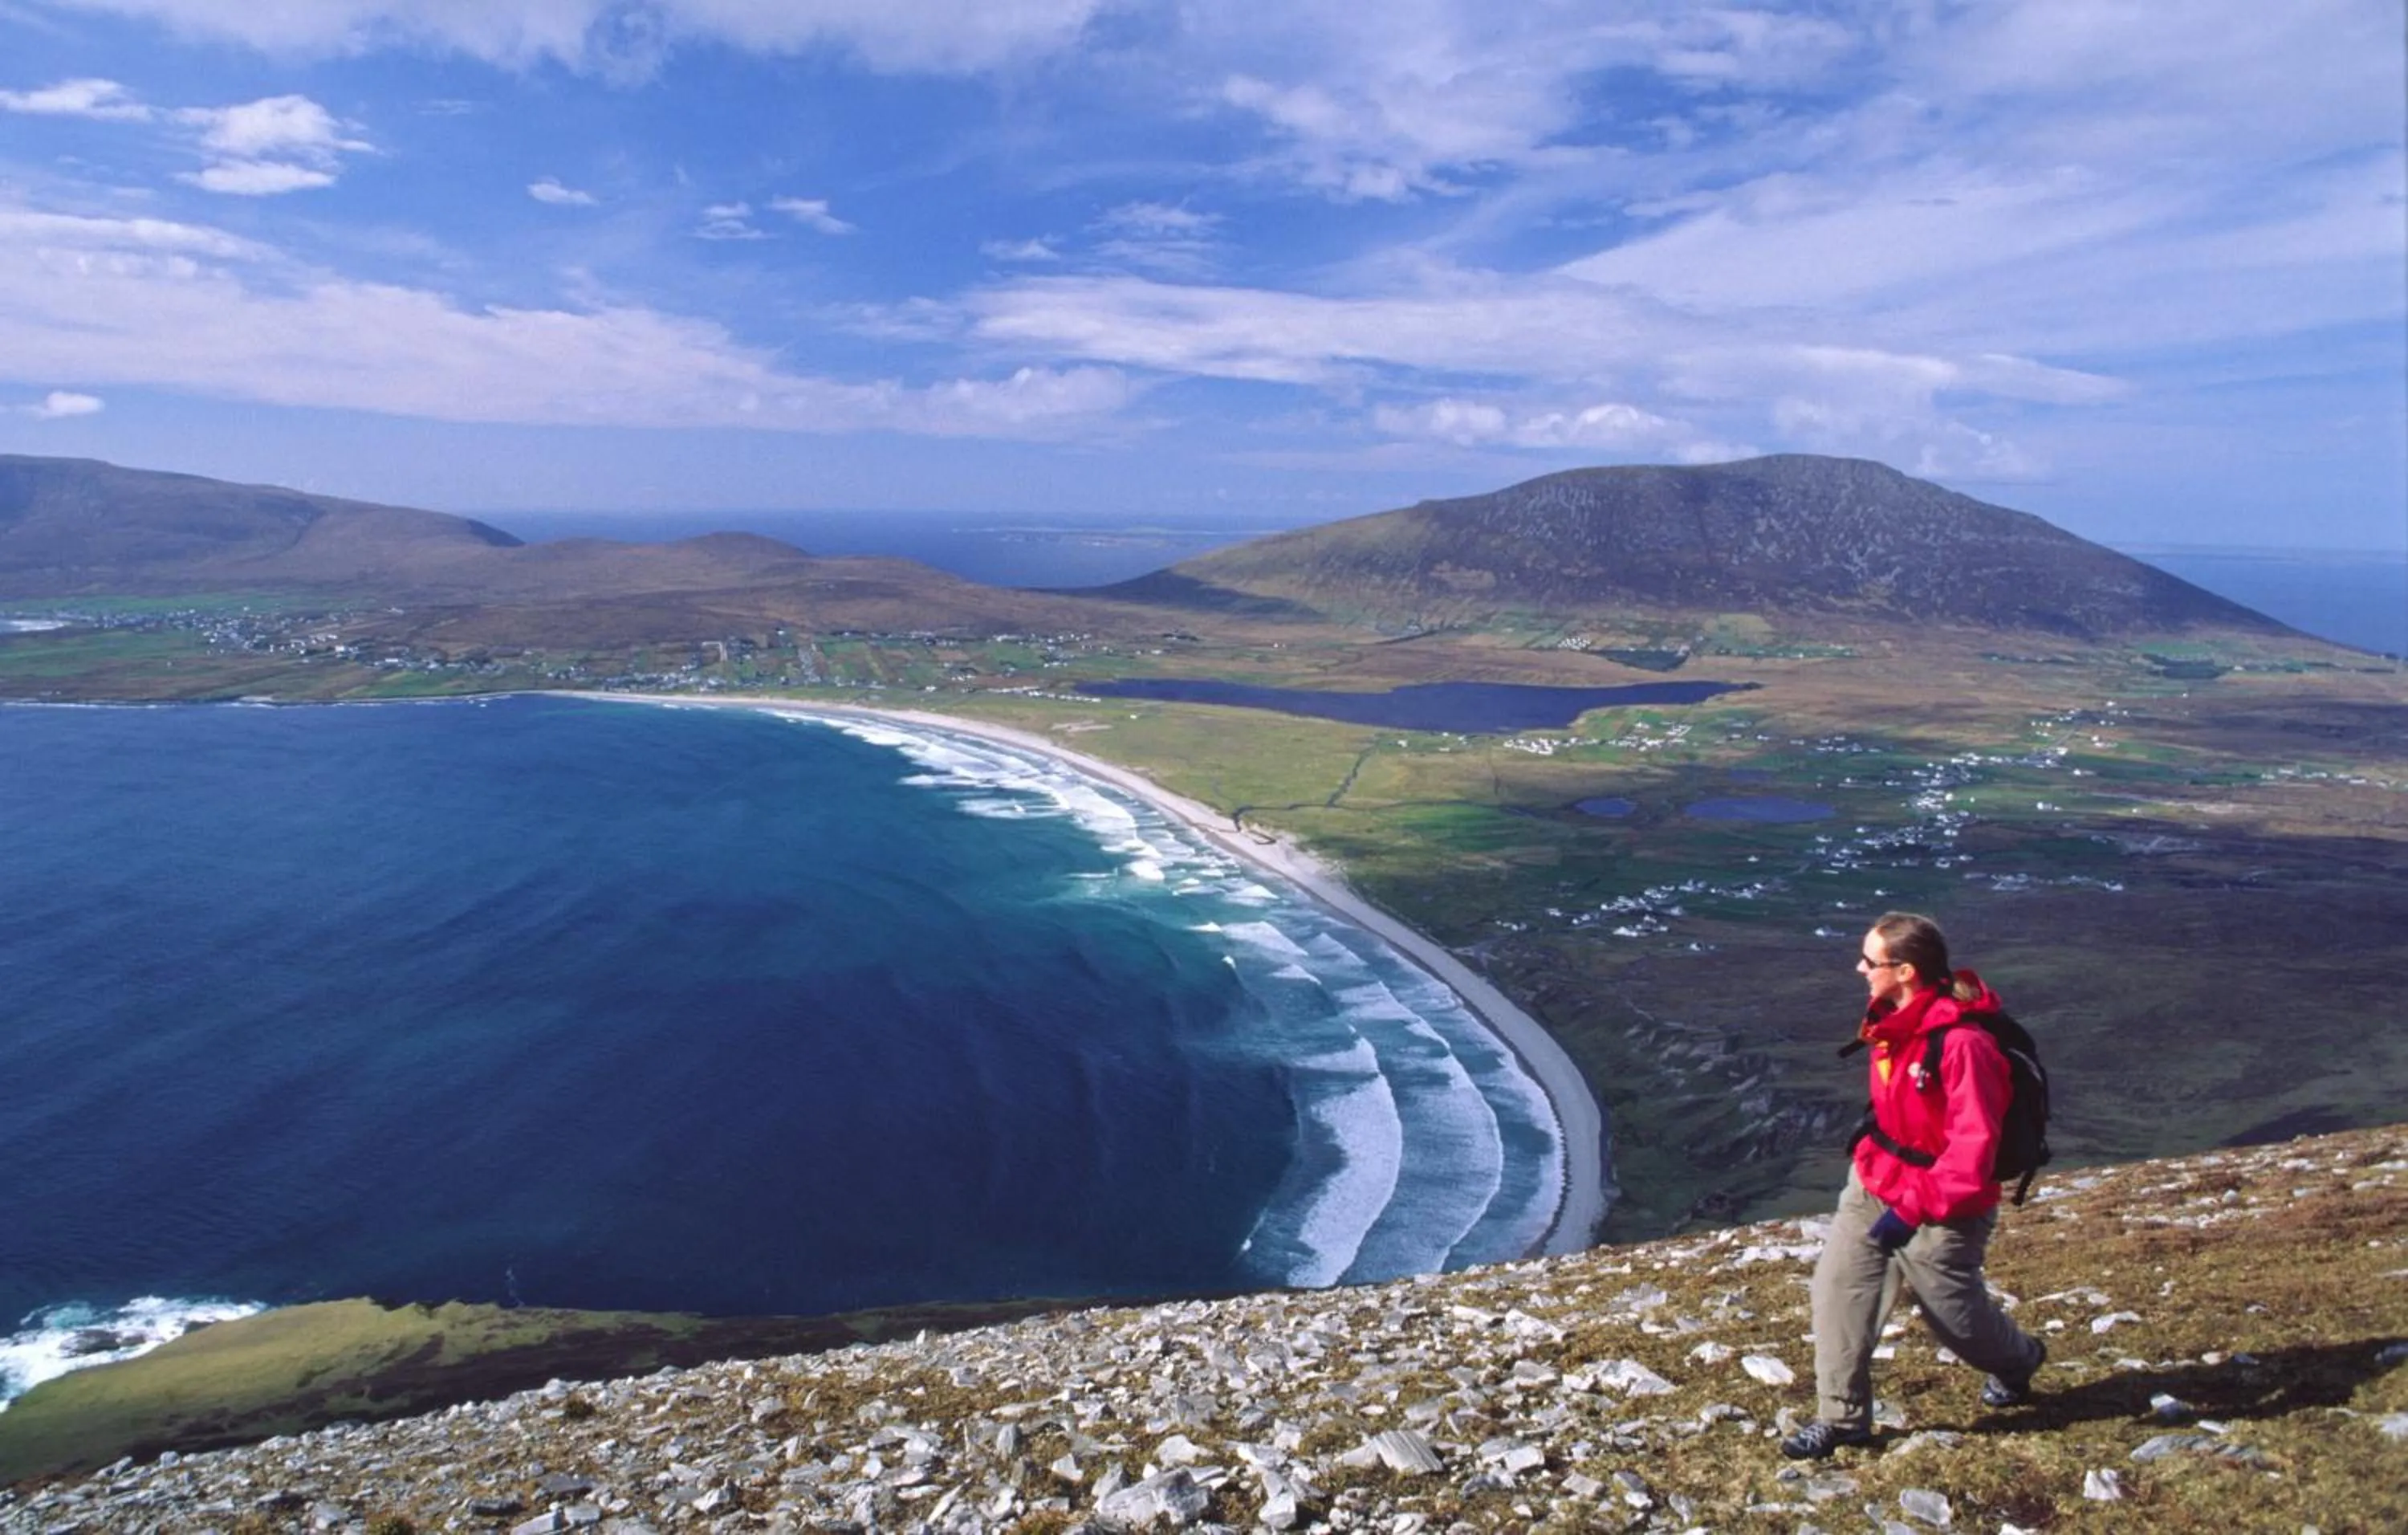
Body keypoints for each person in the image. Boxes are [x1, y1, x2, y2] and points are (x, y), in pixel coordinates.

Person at [1781, 910, 2048, 1460]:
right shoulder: (1891, 1019)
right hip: (1875, 1181)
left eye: (1869, 961)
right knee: (1836, 1290)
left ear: (1904, 970)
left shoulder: (1964, 1046)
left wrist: (1915, 1206)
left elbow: (1972, 1149)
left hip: (1942, 1205)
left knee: (1955, 1319)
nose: (1859, 969)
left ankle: (2019, 1360)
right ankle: (1843, 1420)